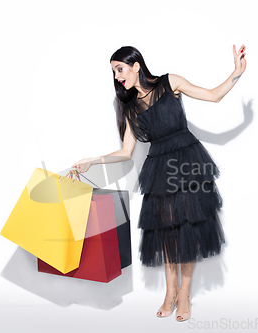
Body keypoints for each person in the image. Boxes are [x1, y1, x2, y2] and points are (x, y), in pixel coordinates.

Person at [72, 45, 246, 322]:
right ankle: (170, 292)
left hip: (188, 161)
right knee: (167, 232)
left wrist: (236, 73)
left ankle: (185, 294)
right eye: (114, 72)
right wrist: (91, 160)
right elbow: (125, 152)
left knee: (188, 227)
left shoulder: (170, 82)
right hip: (159, 169)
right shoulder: (129, 108)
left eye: (120, 69)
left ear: (136, 65)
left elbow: (213, 96)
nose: (117, 76)